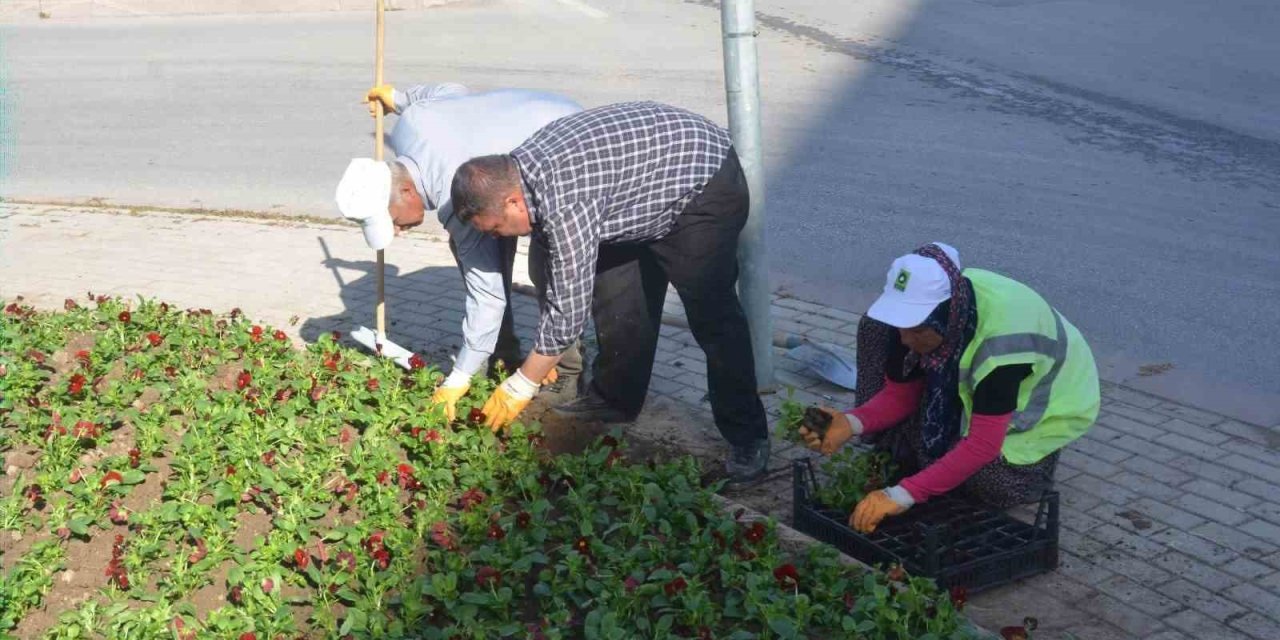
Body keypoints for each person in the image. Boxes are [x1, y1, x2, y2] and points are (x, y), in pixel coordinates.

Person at [448, 101, 770, 482]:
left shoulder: (564, 198)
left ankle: (748, 436)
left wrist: (523, 382)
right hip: (636, 195)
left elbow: (567, 312)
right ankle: (612, 402)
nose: (496, 237)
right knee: (618, 300)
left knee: (712, 317)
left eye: (495, 228)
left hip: (700, 188)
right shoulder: (521, 175)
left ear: (513, 201)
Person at [800, 243, 1100, 533]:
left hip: (1041, 409)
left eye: (916, 329)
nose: (905, 339)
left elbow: (982, 445)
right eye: (903, 326)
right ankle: (906, 444)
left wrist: (902, 495)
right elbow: (901, 394)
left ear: (947, 317)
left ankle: (1034, 472)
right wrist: (851, 423)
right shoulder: (940, 316)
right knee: (875, 328)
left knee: (984, 477)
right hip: (978, 382)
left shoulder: (1001, 350)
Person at [334, 82, 586, 418]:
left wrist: (459, 376)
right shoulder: (412, 125)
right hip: (542, 107)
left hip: (565, 146)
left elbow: (488, 296)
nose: (396, 231)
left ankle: (566, 373)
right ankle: (501, 352)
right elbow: (449, 91)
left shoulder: (458, 194)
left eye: (392, 220)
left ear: (407, 190)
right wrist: (399, 99)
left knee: (552, 266)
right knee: (475, 247)